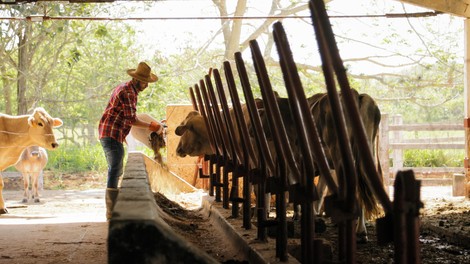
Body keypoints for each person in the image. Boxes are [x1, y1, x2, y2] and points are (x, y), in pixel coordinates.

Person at [98, 61, 163, 220]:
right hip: (111, 133)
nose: (146, 85)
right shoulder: (129, 93)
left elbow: (122, 117)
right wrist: (152, 126)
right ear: (137, 80)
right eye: (145, 82)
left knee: (115, 169)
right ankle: (111, 212)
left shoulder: (125, 88)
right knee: (115, 169)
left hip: (111, 132)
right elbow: (131, 119)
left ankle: (112, 210)